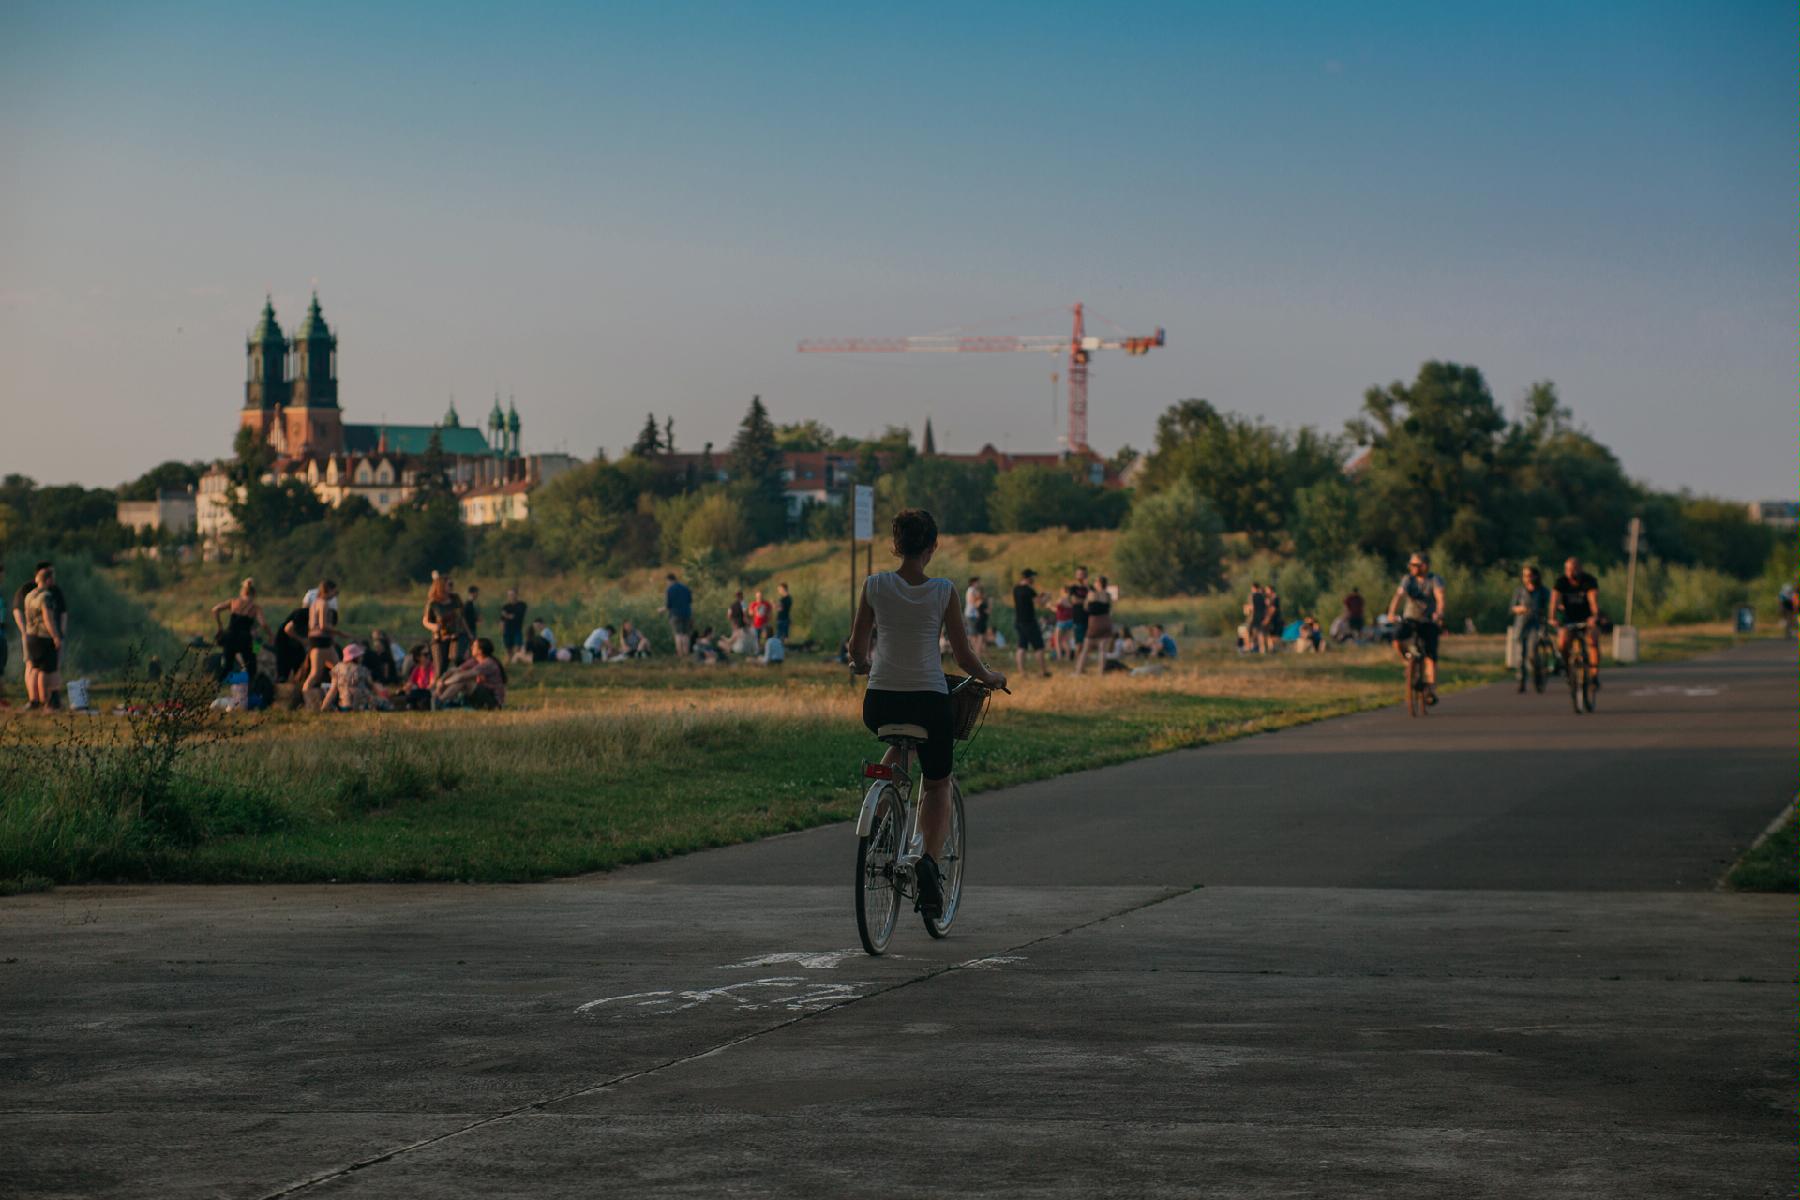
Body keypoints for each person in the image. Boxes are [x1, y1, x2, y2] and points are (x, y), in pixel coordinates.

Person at [848, 509, 1005, 921]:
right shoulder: (943, 591)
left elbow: (856, 645)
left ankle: (880, 828)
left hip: (880, 702)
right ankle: (927, 863)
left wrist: (863, 666)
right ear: (932, 547)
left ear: (895, 545)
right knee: (937, 784)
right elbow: (963, 654)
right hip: (929, 701)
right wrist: (991, 676)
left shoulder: (874, 585)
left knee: (900, 747)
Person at [1385, 553, 1446, 705]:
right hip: (1410, 618)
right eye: (1410, 565)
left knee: (1431, 654)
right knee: (1397, 638)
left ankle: (1431, 689)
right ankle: (1407, 663)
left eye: (1415, 565)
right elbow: (1398, 596)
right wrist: (1391, 613)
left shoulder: (1434, 580)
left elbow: (1440, 598)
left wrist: (1439, 613)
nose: (1411, 568)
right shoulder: (1408, 580)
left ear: (1424, 566)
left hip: (1428, 620)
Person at [1550, 556, 1602, 692]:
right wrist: (1552, 617)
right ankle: (1568, 668)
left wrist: (1594, 617)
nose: (1570, 573)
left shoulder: (1589, 581)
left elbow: (1593, 601)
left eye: (1573, 569)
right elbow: (1554, 601)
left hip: (1587, 617)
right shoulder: (1561, 582)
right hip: (1569, 618)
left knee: (1593, 641)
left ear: (1580, 569)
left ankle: (1594, 675)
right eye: (1567, 570)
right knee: (1562, 643)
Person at [19, 563, 67, 710]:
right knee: (47, 670)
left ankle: (34, 701)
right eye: (52, 578)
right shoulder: (46, 596)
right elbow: (48, 618)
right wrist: (56, 636)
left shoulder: (29, 595)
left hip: (31, 636)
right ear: (48, 580)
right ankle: (48, 702)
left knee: (35, 668)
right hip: (44, 637)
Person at [210, 578, 271, 678]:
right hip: (246, 640)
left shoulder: (233, 602)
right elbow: (262, 626)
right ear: (254, 594)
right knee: (252, 669)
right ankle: (251, 688)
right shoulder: (255, 608)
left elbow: (215, 609)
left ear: (242, 592)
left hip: (230, 637)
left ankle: (214, 689)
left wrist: (220, 627)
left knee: (226, 668)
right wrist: (270, 636)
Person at [299, 580, 345, 704]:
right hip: (322, 641)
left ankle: (324, 702)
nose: (335, 595)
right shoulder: (323, 603)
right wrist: (340, 633)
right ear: (328, 590)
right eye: (335, 592)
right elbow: (323, 625)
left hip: (317, 641)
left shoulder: (314, 603)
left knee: (332, 671)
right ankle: (309, 700)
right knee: (334, 672)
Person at [1509, 565, 1552, 693]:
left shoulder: (1543, 591)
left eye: (1529, 575)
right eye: (1524, 576)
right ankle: (1521, 681)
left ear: (1535, 576)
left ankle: (1538, 674)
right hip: (1521, 625)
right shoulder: (1520, 591)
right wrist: (1519, 609)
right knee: (1520, 655)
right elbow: (1512, 607)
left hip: (1536, 624)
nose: (1527, 579)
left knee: (1532, 653)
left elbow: (1552, 604)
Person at [434, 637, 507, 709]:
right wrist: (441, 680)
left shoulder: (488, 663)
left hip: (494, 701)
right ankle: (438, 700)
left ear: (480, 651)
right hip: (482, 695)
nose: (471, 647)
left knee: (465, 682)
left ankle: (439, 701)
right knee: (458, 679)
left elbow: (462, 677)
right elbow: (454, 670)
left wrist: (444, 683)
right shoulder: (474, 661)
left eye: (474, 646)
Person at [423, 576, 468, 678]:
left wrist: (469, 634)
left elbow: (462, 618)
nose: (452, 587)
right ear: (441, 586)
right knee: (440, 667)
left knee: (458, 659)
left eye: (452, 584)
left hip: (456, 635)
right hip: (440, 637)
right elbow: (425, 621)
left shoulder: (455, 598)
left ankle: (461, 684)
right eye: (450, 584)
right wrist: (433, 626)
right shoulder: (433, 603)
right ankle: (438, 689)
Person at [1073, 575, 1116, 676]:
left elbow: (1086, 608)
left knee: (1086, 649)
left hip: (1094, 622)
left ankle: (1078, 671)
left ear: (1099, 583)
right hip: (1106, 621)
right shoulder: (1108, 595)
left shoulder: (1092, 594)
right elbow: (1110, 610)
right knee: (1103, 650)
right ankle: (1101, 673)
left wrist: (1088, 596)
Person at [321, 642, 382, 712]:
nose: (361, 658)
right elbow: (371, 687)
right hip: (361, 706)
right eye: (360, 656)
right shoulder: (362, 670)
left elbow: (332, 690)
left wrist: (324, 706)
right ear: (356, 657)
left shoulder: (337, 669)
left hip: (344, 706)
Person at [1011, 568, 1049, 678]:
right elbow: (1040, 603)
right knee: (1039, 646)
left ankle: (1022, 672)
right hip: (1029, 622)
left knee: (1022, 646)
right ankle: (1044, 671)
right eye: (1033, 577)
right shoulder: (1029, 590)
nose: (1034, 579)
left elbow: (1027, 600)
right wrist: (1046, 596)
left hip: (1019, 621)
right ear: (1029, 578)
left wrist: (1038, 595)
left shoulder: (1016, 588)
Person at [274, 599, 311, 683]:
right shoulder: (303, 613)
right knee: (283, 671)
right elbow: (288, 629)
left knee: (298, 665)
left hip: (294, 643)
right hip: (284, 642)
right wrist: (303, 641)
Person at [660, 573, 693, 659]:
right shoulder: (686, 588)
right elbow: (690, 601)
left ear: (669, 580)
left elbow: (668, 605)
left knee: (678, 634)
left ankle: (680, 654)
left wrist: (661, 610)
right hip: (687, 613)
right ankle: (686, 654)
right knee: (686, 634)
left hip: (675, 614)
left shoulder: (670, 589)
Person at [499, 588, 529, 663]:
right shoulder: (505, 606)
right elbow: (502, 620)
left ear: (516, 595)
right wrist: (502, 630)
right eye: (509, 595)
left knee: (518, 646)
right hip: (507, 630)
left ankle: (515, 660)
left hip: (517, 629)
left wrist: (506, 615)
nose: (510, 596)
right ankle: (510, 662)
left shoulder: (522, 605)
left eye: (512, 594)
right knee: (508, 648)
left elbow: (517, 616)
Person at [403, 644, 436, 711]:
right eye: (425, 654)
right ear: (418, 657)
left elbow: (432, 683)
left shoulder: (432, 667)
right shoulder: (417, 669)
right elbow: (410, 683)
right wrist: (407, 687)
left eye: (429, 654)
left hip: (428, 693)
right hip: (419, 692)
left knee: (419, 694)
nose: (428, 656)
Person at [1067, 567, 1092, 653]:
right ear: (1076, 575)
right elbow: (1074, 600)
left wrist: (1088, 588)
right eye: (1079, 574)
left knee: (1088, 641)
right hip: (1078, 617)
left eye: (1083, 574)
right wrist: (1086, 601)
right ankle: (1078, 660)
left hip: (1090, 617)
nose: (1082, 576)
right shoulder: (1073, 588)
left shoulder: (1090, 588)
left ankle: (1084, 660)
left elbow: (1094, 599)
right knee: (1079, 642)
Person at [460, 585, 482, 664]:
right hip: (469, 631)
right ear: (472, 593)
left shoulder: (472, 604)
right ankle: (466, 665)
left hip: (472, 630)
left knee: (472, 648)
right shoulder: (467, 605)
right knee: (470, 649)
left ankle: (469, 664)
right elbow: (464, 620)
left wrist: (476, 619)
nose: (477, 595)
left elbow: (470, 617)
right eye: (477, 593)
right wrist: (469, 633)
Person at [1247, 582, 1267, 653]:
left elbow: (1251, 608)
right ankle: (1263, 650)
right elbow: (1265, 608)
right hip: (1261, 617)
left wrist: (1247, 608)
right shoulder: (1262, 596)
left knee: (1249, 633)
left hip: (1253, 617)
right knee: (1260, 633)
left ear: (1254, 588)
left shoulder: (1252, 596)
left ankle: (1250, 648)